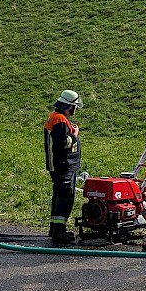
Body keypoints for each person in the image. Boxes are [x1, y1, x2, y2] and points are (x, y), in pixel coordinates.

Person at [44, 89, 83, 245]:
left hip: (58, 165)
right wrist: (75, 134)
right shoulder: (60, 120)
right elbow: (63, 143)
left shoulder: (55, 117)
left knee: (58, 196)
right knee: (65, 196)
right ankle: (59, 233)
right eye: (74, 107)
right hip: (64, 165)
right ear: (69, 106)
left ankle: (55, 228)